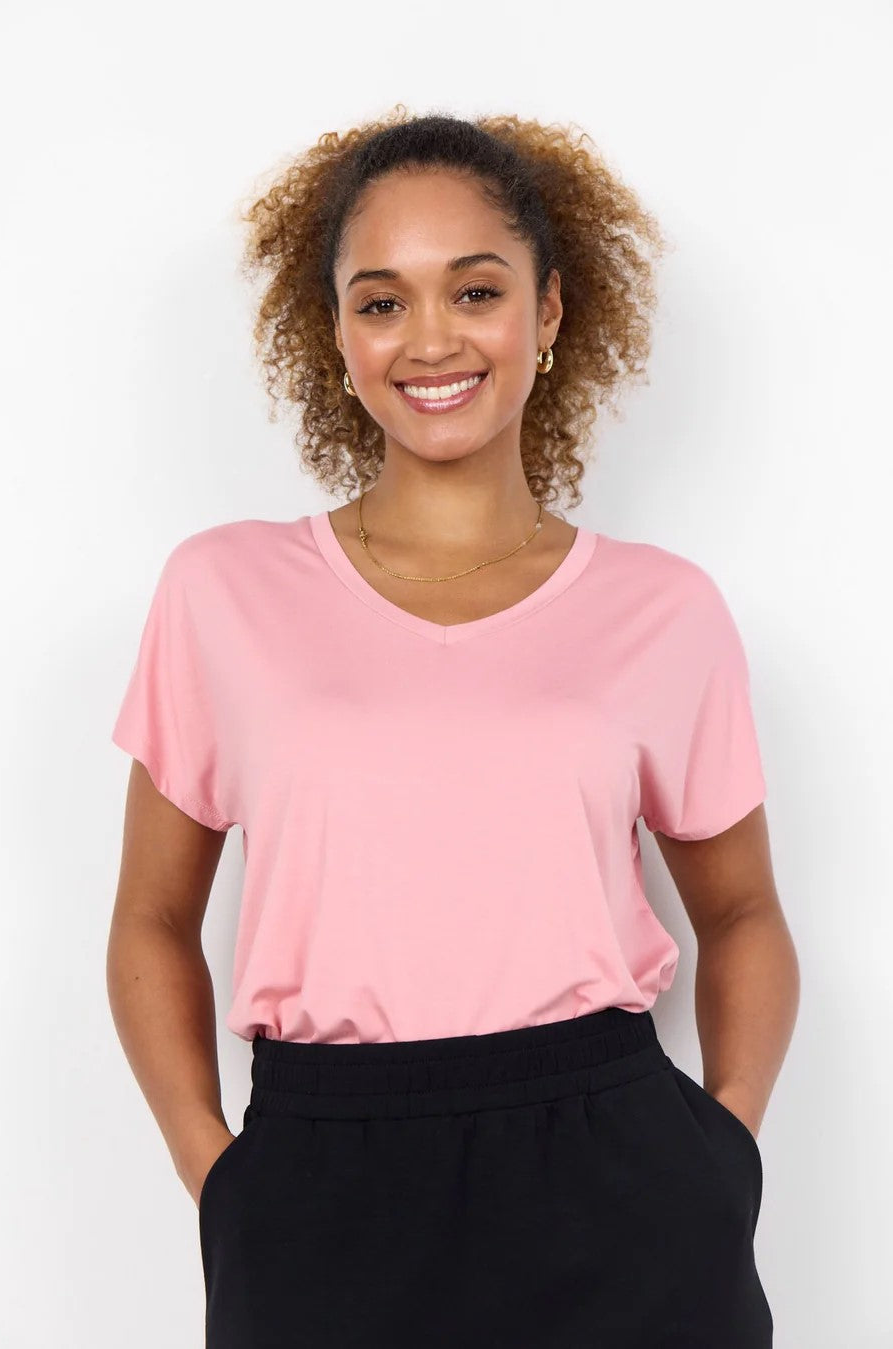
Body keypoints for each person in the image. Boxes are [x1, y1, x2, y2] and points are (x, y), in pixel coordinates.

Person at [107, 107, 799, 1348]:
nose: (431, 338)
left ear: (549, 312)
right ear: (337, 332)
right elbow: (152, 917)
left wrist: (723, 1150)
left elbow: (743, 910)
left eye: (476, 290)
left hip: (619, 1178)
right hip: (320, 1182)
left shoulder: (663, 609)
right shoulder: (222, 591)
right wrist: (221, 1177)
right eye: (381, 301)